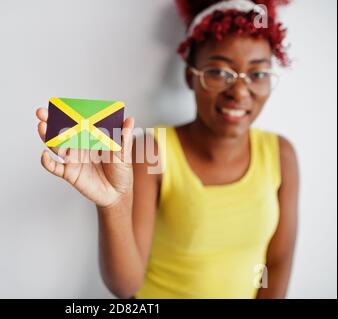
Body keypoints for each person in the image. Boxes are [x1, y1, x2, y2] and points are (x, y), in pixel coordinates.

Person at [36, 0, 298, 299]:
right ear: (190, 76)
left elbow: (276, 265)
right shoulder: (152, 150)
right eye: (219, 72)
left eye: (257, 74)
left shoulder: (281, 155)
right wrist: (113, 204)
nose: (239, 92)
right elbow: (126, 286)